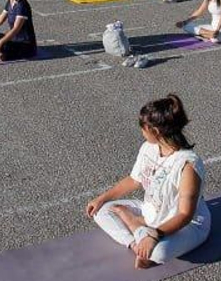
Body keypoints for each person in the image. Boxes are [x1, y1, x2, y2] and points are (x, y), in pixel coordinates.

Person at [85, 94, 210, 269]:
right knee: (101, 211)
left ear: (155, 131)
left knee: (158, 253)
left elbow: (185, 215)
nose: (141, 132)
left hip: (188, 225)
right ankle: (136, 242)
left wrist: (154, 235)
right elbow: (134, 180)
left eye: (143, 128)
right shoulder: (148, 148)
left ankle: (136, 227)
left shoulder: (187, 164)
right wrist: (102, 198)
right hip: (151, 213)